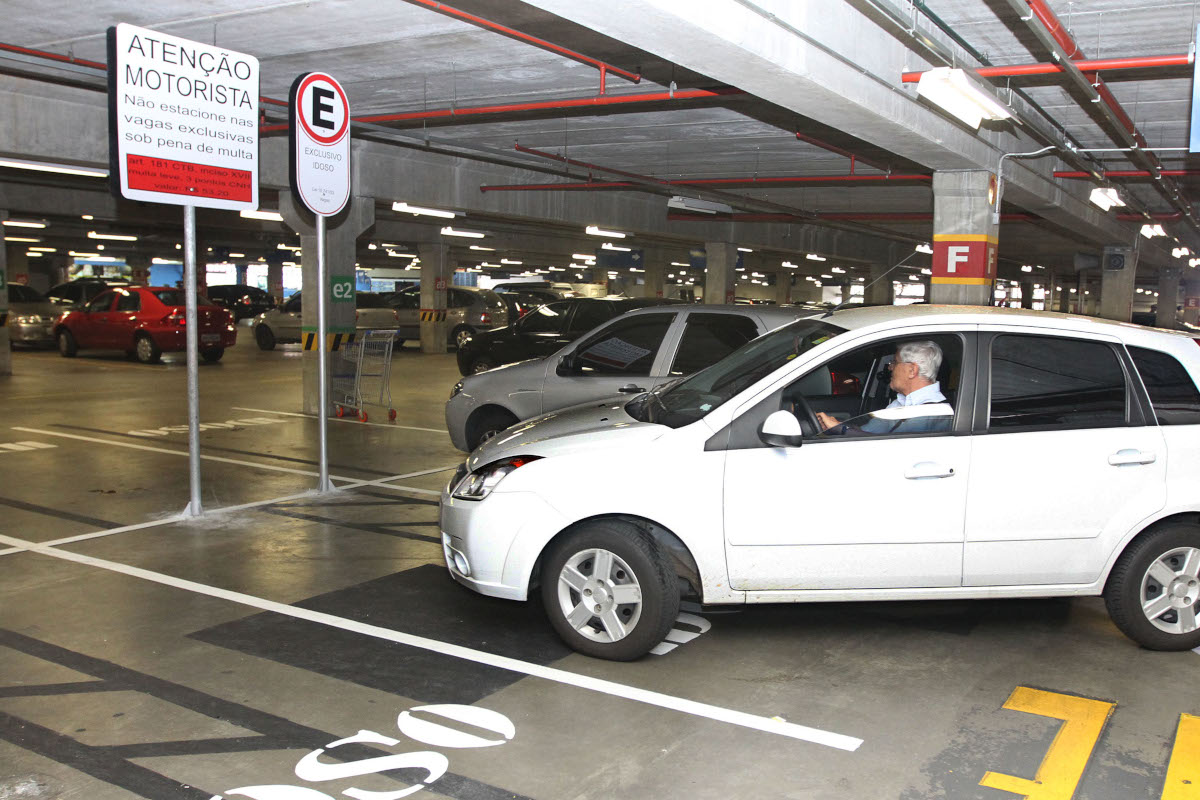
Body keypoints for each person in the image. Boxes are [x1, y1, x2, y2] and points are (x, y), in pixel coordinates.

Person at [815, 340, 951, 434]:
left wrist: (842, 429)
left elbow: (887, 445)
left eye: (895, 362)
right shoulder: (901, 402)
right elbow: (869, 431)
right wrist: (837, 425)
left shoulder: (933, 412)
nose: (890, 367)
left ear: (911, 370)